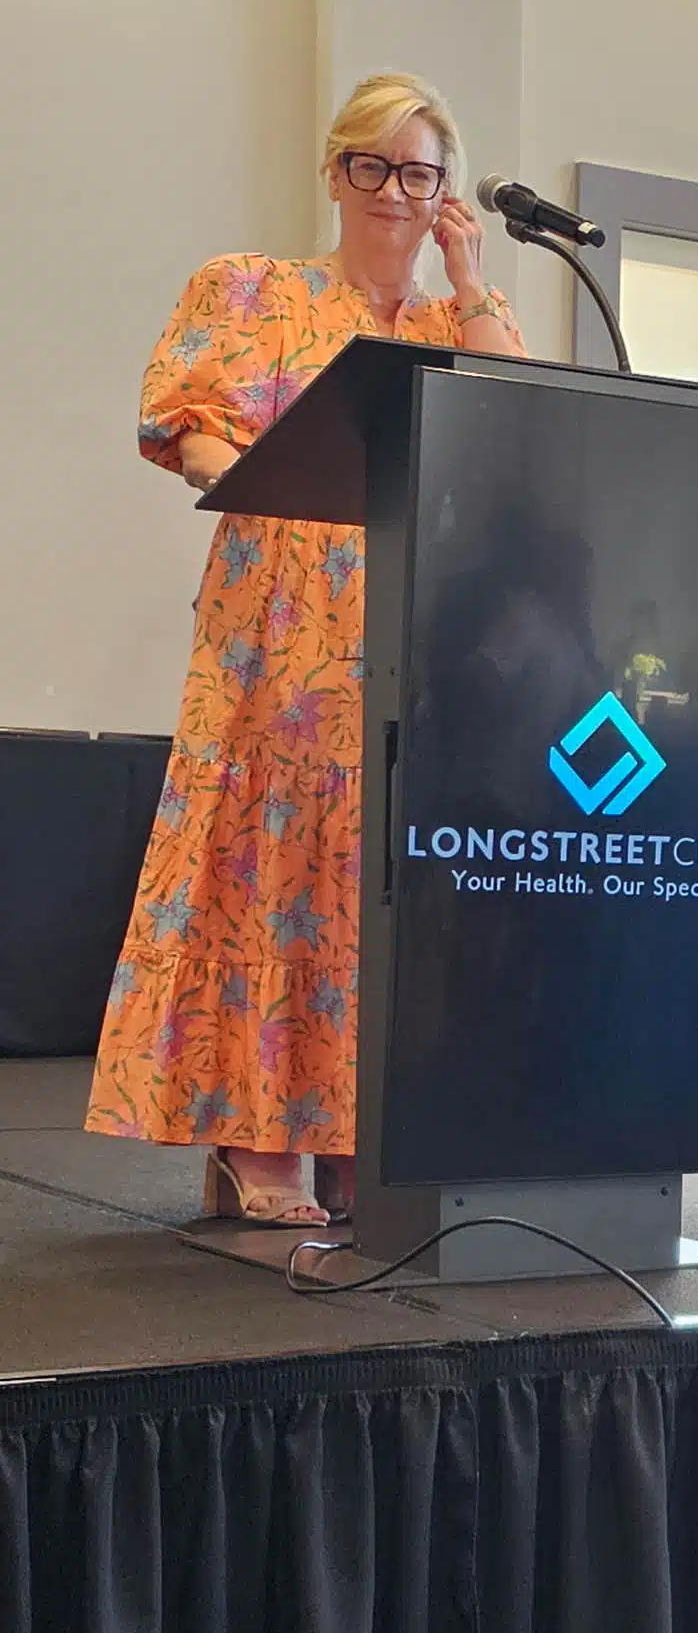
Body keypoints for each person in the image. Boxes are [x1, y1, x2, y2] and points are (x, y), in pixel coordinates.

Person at [87, 72, 526, 1223]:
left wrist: (471, 278)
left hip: (410, 643)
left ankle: (352, 1132)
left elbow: (513, 425)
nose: (393, 191)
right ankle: (258, 1136)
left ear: (445, 191)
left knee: (375, 886)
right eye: (370, 165)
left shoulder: (451, 325)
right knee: (265, 873)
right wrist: (235, 468)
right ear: (334, 173)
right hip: (277, 626)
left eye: (418, 172)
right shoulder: (256, 289)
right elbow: (187, 421)